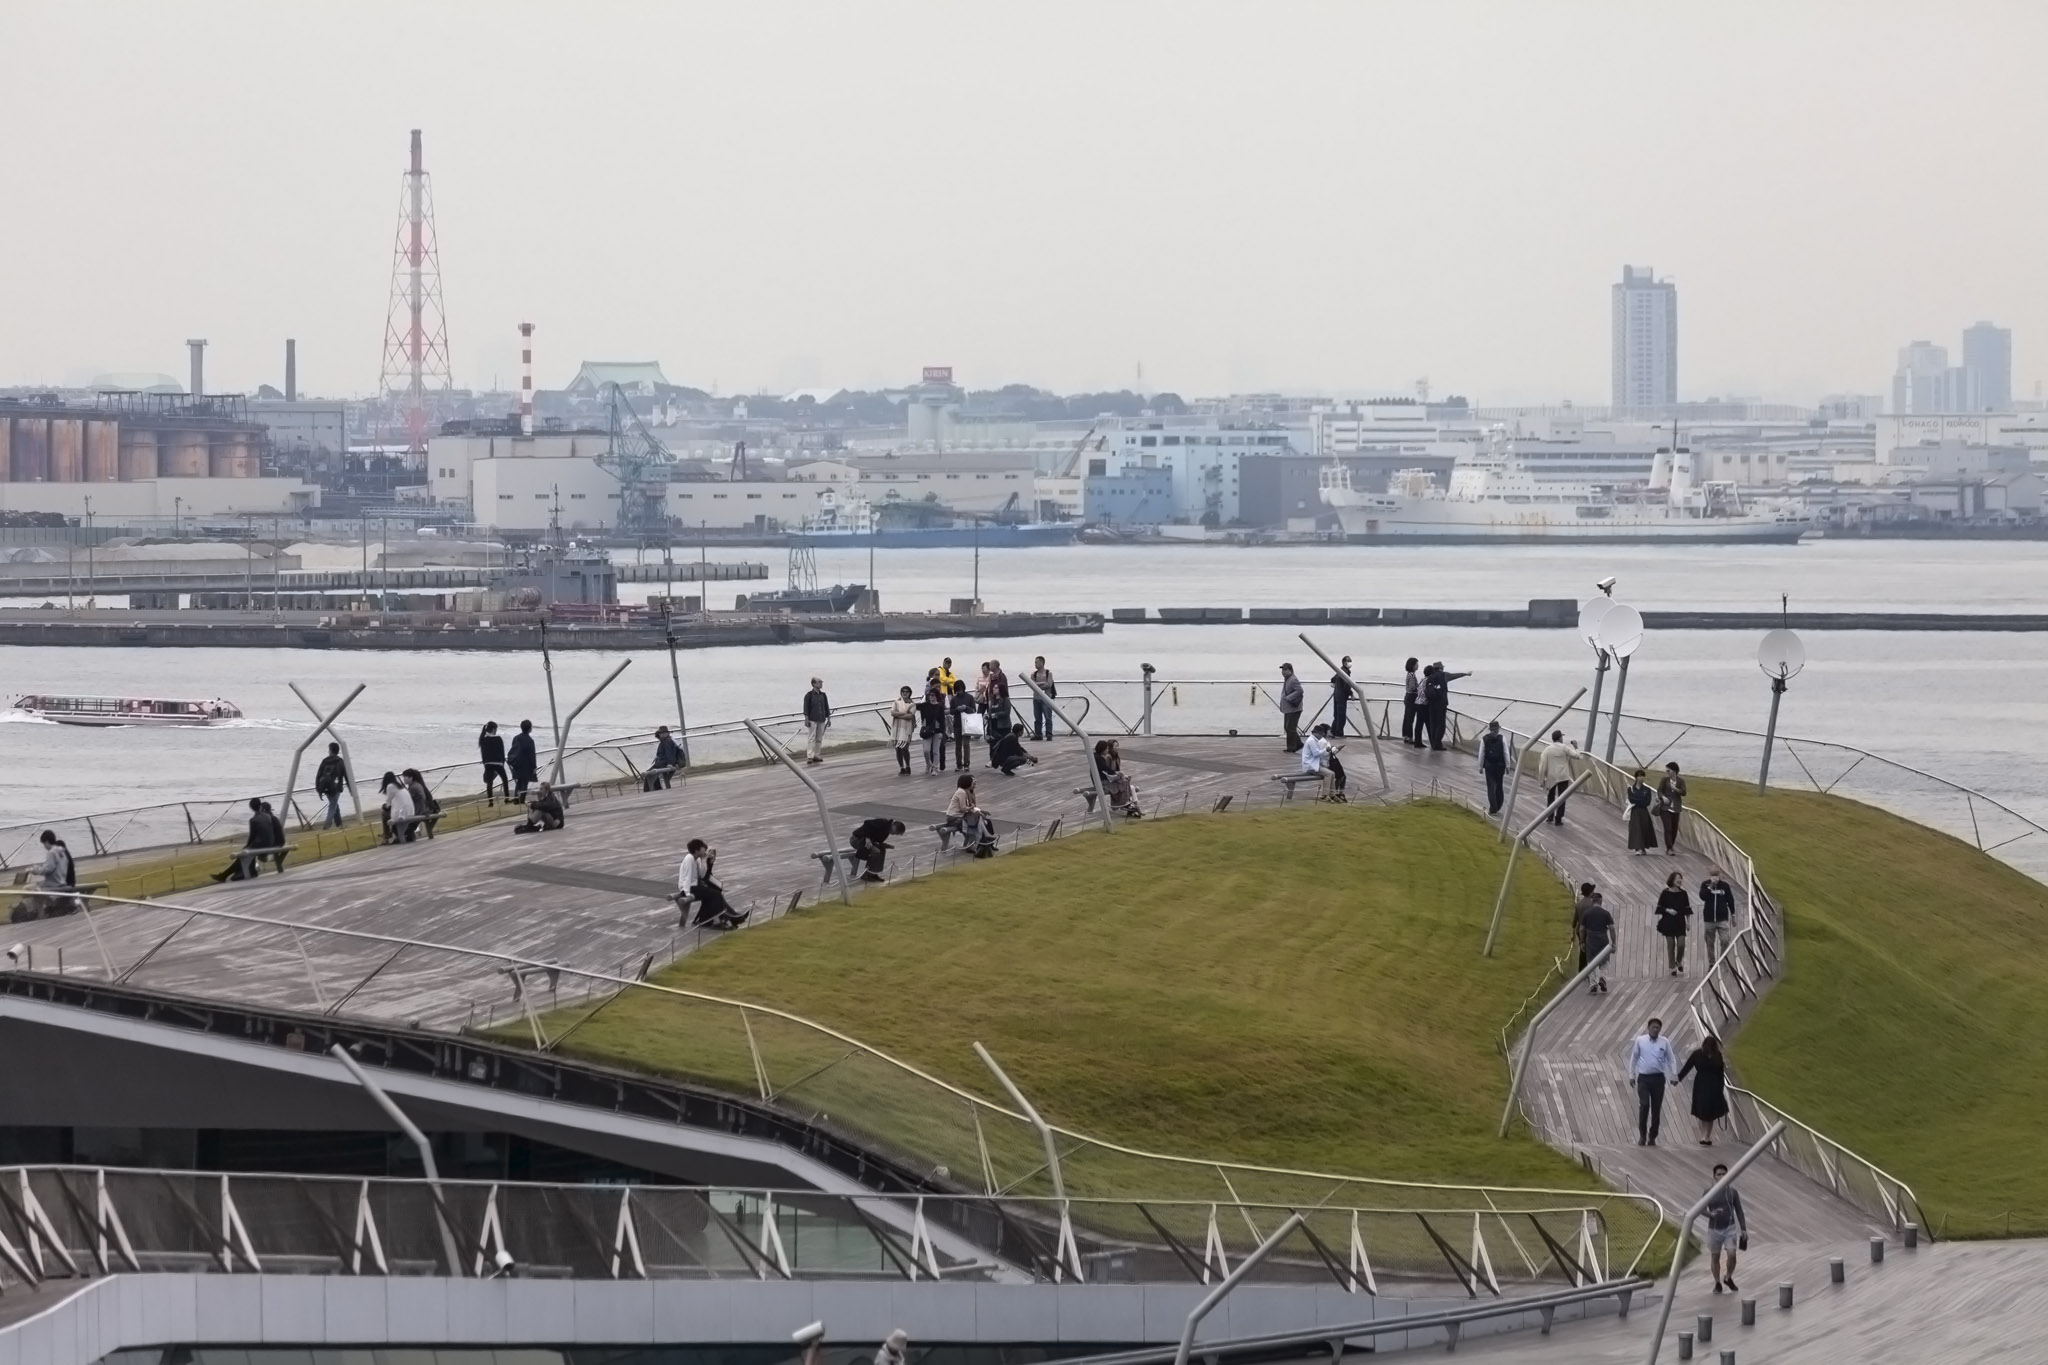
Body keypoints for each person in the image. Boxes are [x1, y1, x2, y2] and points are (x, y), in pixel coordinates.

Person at [1626, 1017, 1677, 1147]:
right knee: (1644, 1105)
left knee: (1656, 1109)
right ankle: (1642, 1135)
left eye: (1658, 1027)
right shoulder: (1640, 1041)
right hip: (1644, 1078)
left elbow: (1671, 1059)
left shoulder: (1664, 1042)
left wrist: (1674, 1074)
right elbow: (1634, 1058)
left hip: (1658, 1079)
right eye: (1653, 1027)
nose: (1655, 1029)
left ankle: (1652, 1136)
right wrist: (1631, 1075)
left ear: (1660, 1029)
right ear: (1648, 1028)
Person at [676, 838, 744, 929]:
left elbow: (703, 875)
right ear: (696, 850)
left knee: (715, 893)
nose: (705, 850)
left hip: (694, 887)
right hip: (688, 888)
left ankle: (709, 920)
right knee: (715, 894)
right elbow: (687, 878)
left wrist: (710, 863)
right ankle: (722, 920)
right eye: (703, 848)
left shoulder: (697, 859)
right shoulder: (689, 858)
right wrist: (688, 894)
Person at [1701, 1162, 1748, 1292]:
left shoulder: (1732, 1193)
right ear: (1714, 1177)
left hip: (1729, 1228)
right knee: (1715, 1257)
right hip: (1714, 1229)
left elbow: (1739, 1210)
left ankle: (1728, 1277)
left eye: (1724, 1174)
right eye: (1719, 1174)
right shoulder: (1708, 1192)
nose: (1721, 1176)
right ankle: (1717, 1283)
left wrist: (1743, 1229)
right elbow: (1701, 1209)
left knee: (1732, 1254)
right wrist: (1711, 1214)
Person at [1677, 1033, 1730, 1146]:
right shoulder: (1699, 1054)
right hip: (1703, 1084)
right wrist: (1678, 1078)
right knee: (1702, 1110)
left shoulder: (1717, 1055)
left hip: (1712, 1085)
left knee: (1709, 1111)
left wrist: (1720, 1088)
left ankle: (1706, 1136)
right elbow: (1688, 1066)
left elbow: (1721, 1072)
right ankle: (1704, 1136)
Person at [17, 830, 77, 920]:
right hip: (62, 881)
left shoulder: (52, 852)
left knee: (27, 889)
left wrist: (33, 870)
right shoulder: (62, 851)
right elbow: (52, 866)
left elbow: (48, 869)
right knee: (37, 886)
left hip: (54, 883)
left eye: (44, 844)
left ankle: (39, 913)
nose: (44, 847)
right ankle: (47, 906)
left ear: (47, 842)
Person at [939, 776, 996, 855]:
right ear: (967, 782)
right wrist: (972, 808)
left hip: (961, 817)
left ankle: (987, 843)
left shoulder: (966, 792)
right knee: (978, 820)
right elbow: (963, 808)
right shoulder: (962, 792)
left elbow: (970, 808)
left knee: (985, 821)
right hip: (954, 818)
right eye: (973, 782)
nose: (974, 784)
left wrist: (978, 811)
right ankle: (984, 839)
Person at [1422, 661, 1471, 751]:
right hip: (1441, 703)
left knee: (1433, 724)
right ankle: (1437, 744)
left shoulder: (1430, 677)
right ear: (1441, 668)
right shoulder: (1444, 675)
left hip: (1431, 704)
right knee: (1441, 725)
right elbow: (1455, 675)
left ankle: (1433, 743)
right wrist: (1466, 674)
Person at [1655, 871, 1694, 976]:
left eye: (1680, 879)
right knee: (1670, 944)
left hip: (1680, 922)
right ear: (1672, 880)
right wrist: (1668, 910)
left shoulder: (1683, 893)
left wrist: (1688, 922)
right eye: (1678, 879)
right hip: (1668, 922)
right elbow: (1660, 907)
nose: (1680, 881)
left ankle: (1678, 960)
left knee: (1681, 944)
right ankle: (1672, 967)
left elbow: (1687, 908)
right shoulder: (1665, 893)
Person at [1576, 889, 1614, 993]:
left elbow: (1582, 929)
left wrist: (1582, 942)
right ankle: (1602, 978)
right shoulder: (1606, 913)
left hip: (1590, 939)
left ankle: (1593, 984)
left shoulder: (1587, 914)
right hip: (1602, 938)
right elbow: (1611, 928)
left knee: (1591, 962)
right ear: (1600, 901)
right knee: (1605, 961)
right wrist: (1613, 943)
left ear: (1593, 901)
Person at [849, 816, 908, 882]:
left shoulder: (886, 831)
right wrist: (867, 838)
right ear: (894, 826)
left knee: (882, 850)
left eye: (896, 834)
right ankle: (866, 875)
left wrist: (884, 845)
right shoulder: (882, 822)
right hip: (856, 839)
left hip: (865, 841)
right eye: (895, 832)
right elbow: (867, 824)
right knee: (876, 851)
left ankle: (873, 873)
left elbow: (876, 841)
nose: (893, 834)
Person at [1094, 740, 1142, 817]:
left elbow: (1107, 770)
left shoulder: (1110, 757)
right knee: (1125, 783)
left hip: (1105, 779)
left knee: (1126, 782)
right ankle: (1123, 804)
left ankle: (1128, 805)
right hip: (1103, 781)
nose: (1117, 747)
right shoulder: (1104, 758)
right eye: (1115, 746)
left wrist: (1119, 774)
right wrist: (1118, 774)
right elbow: (1106, 770)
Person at [1699, 868, 1737, 966]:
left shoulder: (1725, 886)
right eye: (1713, 875)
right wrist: (1711, 886)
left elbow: (1730, 900)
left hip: (1722, 918)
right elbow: (1702, 897)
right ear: (1710, 876)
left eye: (1716, 875)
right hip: (1709, 919)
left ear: (1719, 875)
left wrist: (1733, 915)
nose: (1715, 878)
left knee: (1725, 940)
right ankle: (1712, 963)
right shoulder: (1705, 884)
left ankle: (1721, 960)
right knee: (1709, 943)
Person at [1538, 731, 1577, 825]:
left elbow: (1542, 765)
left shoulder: (1547, 750)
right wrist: (1576, 747)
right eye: (1561, 737)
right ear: (1559, 738)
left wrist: (1541, 780)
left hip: (1551, 776)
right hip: (1563, 776)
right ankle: (1558, 819)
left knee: (1550, 796)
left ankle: (1549, 816)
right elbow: (1577, 756)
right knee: (1562, 797)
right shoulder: (1564, 748)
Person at [1300, 722, 1346, 800]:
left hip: (1316, 764)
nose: (1321, 736)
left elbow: (1320, 754)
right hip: (1311, 766)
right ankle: (1325, 794)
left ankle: (1332, 794)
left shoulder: (1315, 740)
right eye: (1321, 734)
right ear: (1317, 733)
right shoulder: (1311, 741)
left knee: (1333, 773)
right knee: (1330, 774)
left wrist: (1329, 750)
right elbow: (1316, 754)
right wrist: (1328, 750)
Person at [918, 672, 949, 775]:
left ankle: (935, 768)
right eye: (930, 695)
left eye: (933, 695)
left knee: (936, 750)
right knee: (926, 750)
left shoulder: (940, 706)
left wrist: (942, 732)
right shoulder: (925, 705)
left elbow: (942, 720)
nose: (931, 697)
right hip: (927, 729)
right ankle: (928, 764)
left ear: (936, 696)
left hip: (936, 730)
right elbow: (915, 706)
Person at [1656, 761, 1688, 855]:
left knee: (1674, 828)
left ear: (1674, 771)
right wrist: (1663, 797)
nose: (1667, 772)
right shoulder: (1664, 780)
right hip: (1665, 808)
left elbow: (1684, 792)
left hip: (1676, 808)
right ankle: (1669, 848)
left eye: (1668, 770)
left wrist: (1676, 789)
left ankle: (1671, 846)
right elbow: (1659, 791)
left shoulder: (1681, 781)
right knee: (1668, 828)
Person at [315, 742, 349, 828]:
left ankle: (339, 823)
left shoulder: (325, 761)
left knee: (334, 803)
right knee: (333, 805)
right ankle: (327, 825)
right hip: (336, 787)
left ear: (330, 750)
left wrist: (319, 789)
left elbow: (318, 775)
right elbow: (346, 775)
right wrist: (350, 787)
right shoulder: (340, 761)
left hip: (325, 787)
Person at [1478, 719, 1509, 814]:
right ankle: (1499, 805)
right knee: (1499, 786)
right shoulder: (1502, 738)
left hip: (1489, 766)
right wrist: (1507, 766)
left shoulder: (1484, 739)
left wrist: (1480, 766)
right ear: (1498, 729)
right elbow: (1506, 753)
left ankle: (1493, 808)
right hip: (1500, 766)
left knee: (1491, 787)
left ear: (1490, 729)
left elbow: (1481, 754)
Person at [1625, 768, 1657, 854]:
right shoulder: (1630, 789)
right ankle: (1637, 848)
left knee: (1644, 828)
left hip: (1643, 811)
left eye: (1643, 776)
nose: (1641, 778)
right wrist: (1640, 800)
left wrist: (1638, 800)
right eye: (1639, 776)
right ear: (1636, 777)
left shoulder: (1647, 789)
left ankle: (1643, 848)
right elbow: (1631, 799)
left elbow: (1647, 801)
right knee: (1636, 829)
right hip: (1635, 811)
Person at [948, 679, 978, 771]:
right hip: (957, 723)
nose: (959, 691)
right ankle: (958, 764)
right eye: (958, 689)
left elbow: (974, 710)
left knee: (966, 744)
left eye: (960, 689)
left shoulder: (969, 697)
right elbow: (951, 711)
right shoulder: (954, 699)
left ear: (963, 688)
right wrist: (957, 709)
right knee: (958, 745)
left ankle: (966, 763)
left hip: (967, 723)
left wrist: (966, 708)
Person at [380, 772, 417, 844]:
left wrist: (384, 806)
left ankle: (386, 836)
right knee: (387, 814)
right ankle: (390, 834)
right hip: (410, 812)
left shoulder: (390, 786)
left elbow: (388, 804)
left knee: (384, 813)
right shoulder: (400, 786)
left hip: (402, 814)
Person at [889, 687, 919, 776]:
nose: (905, 693)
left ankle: (908, 766)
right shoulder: (897, 702)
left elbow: (910, 716)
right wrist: (904, 714)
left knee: (905, 748)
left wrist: (898, 715)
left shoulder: (912, 704)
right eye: (903, 691)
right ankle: (902, 767)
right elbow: (892, 713)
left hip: (907, 729)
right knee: (898, 748)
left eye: (907, 692)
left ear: (910, 693)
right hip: (897, 728)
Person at [479, 721, 511, 805]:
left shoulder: (483, 739)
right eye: (496, 729)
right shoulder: (498, 739)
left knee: (490, 783)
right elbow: (502, 752)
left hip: (488, 764)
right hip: (498, 763)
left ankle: (490, 802)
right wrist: (502, 763)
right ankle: (507, 798)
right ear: (493, 729)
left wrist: (485, 764)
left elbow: (483, 754)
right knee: (504, 780)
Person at [507, 720, 539, 801]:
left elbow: (513, 750)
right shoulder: (530, 741)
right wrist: (534, 767)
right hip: (526, 765)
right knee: (524, 783)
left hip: (517, 764)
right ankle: (521, 800)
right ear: (530, 729)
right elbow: (532, 755)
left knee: (519, 782)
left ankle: (516, 799)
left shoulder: (516, 738)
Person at [404, 769, 440, 839]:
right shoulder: (420, 785)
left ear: (411, 777)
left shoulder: (413, 787)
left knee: (406, 823)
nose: (404, 779)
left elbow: (407, 801)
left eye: (405, 777)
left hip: (423, 811)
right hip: (429, 809)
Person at [802, 678, 831, 764]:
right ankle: (810, 756)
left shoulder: (823, 695)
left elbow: (826, 707)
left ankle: (817, 755)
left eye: (821, 682)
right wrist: (806, 718)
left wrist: (828, 718)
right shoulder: (809, 695)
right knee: (811, 738)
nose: (821, 684)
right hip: (812, 718)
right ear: (814, 684)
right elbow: (806, 707)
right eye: (819, 682)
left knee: (819, 738)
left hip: (821, 718)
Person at [647, 726, 684, 790]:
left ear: (667, 733)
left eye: (663, 733)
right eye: (660, 733)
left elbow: (669, 754)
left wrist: (670, 764)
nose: (662, 735)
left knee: (649, 775)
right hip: (664, 763)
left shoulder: (667, 742)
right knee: (665, 779)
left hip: (663, 764)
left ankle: (654, 790)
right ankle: (663, 790)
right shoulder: (667, 740)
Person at [1278, 663, 1304, 752]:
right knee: (1288, 727)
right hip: (1289, 708)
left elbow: (1300, 690)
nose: (1283, 672)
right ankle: (1299, 744)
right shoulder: (1288, 679)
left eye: (1285, 670)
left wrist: (1289, 697)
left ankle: (1291, 747)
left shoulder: (1293, 680)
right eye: (1282, 670)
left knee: (1290, 727)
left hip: (1294, 708)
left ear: (1290, 670)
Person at [1029, 656, 1056, 741]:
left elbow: (1049, 684)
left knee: (1048, 716)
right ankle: (1038, 734)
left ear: (1042, 663)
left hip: (1046, 698)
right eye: (1035, 662)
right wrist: (1042, 683)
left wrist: (1037, 685)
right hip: (1036, 698)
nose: (1035, 664)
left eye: (1037, 662)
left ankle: (1049, 734)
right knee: (1037, 717)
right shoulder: (1033, 674)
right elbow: (1032, 685)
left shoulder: (1048, 673)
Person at [1400, 657, 1424, 747]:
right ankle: (1409, 737)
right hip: (1412, 697)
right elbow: (1412, 687)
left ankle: (1406, 735)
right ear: (1413, 665)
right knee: (1410, 717)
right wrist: (1419, 688)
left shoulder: (1409, 674)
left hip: (1408, 696)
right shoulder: (1412, 675)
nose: (1418, 665)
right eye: (1416, 664)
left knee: (1407, 717)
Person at [1329, 656, 1356, 737]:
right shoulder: (1345, 672)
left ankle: (1333, 731)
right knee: (1341, 716)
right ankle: (1339, 733)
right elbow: (1346, 685)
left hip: (1336, 695)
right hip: (1341, 696)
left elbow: (1333, 679)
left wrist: (1335, 685)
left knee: (1336, 715)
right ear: (1344, 663)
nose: (1350, 663)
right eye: (1349, 661)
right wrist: (1351, 693)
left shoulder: (1340, 671)